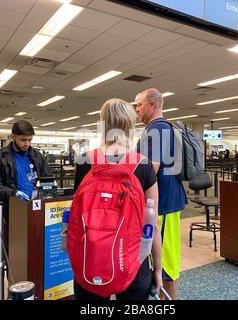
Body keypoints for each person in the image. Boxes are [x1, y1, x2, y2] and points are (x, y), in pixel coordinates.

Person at [73, 98, 162, 300]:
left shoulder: (85, 161)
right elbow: (153, 223)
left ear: (103, 124)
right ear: (130, 125)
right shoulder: (143, 165)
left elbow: (77, 216)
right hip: (133, 262)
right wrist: (157, 269)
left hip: (91, 259)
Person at [135, 88, 187, 300]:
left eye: (139, 104)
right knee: (166, 262)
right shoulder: (165, 128)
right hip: (168, 200)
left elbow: (151, 169)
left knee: (165, 266)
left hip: (163, 203)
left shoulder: (156, 130)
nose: (136, 109)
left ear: (152, 105)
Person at [0, 120, 51, 249]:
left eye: (29, 140)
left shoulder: (37, 156)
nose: (27, 143)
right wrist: (13, 193)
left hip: (35, 209)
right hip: (11, 210)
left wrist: (43, 193)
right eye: (23, 140)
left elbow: (47, 180)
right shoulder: (0, 157)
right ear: (13, 136)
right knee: (13, 248)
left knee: (35, 247)